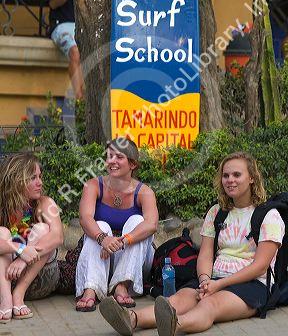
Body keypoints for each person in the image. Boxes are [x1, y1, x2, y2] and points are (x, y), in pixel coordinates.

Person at [99, 151, 285, 335]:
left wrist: (218, 285)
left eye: (237, 175)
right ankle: (131, 319)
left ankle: (175, 325)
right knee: (179, 298)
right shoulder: (216, 212)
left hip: (253, 285)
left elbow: (260, 266)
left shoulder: (269, 215)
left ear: (252, 178)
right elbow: (205, 254)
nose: (230, 180)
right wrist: (205, 280)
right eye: (225, 175)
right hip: (214, 278)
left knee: (209, 304)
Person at [75, 137, 158, 312]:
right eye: (109, 156)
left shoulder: (144, 192)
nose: (112, 161)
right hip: (102, 259)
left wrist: (123, 240)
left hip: (135, 263)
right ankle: (91, 289)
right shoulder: (93, 185)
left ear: (132, 164)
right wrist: (103, 238)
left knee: (138, 221)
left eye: (119, 157)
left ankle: (122, 284)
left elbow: (151, 225)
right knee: (100, 225)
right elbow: (85, 218)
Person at [0, 153, 63, 323]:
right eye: (33, 177)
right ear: (17, 179)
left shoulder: (45, 203)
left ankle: (18, 295)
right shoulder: (2, 206)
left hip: (41, 278)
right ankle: (6, 301)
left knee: (42, 229)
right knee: (2, 233)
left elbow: (58, 237)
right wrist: (20, 249)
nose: (40, 182)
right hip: (5, 279)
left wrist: (22, 260)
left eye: (40, 176)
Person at [45, 0, 84, 99]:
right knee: (75, 52)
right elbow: (53, 3)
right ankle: (81, 103)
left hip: (85, 26)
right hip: (62, 24)